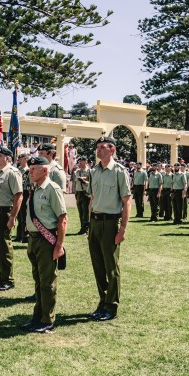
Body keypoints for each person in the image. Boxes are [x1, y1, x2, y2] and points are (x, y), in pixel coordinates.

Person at [86, 137, 131, 322]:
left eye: (103, 147)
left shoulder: (119, 171)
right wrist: (89, 224)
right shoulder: (94, 171)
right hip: (95, 222)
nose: (99, 150)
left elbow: (127, 201)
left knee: (111, 267)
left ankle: (111, 306)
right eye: (97, 147)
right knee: (98, 266)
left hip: (110, 223)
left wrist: (122, 229)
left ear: (112, 149)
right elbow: (92, 198)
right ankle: (103, 302)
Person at [22, 156, 67, 333]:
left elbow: (62, 219)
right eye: (30, 168)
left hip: (46, 241)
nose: (30, 171)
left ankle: (47, 319)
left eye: (34, 168)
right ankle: (38, 316)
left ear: (45, 170)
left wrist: (59, 245)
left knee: (47, 282)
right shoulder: (35, 189)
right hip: (34, 240)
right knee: (38, 281)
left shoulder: (52, 189)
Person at [0, 146, 23, 291]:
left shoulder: (12, 173)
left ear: (8, 158)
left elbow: (18, 196)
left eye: (0, 155)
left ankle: (8, 279)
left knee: (4, 247)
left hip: (4, 213)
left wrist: (13, 217)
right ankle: (2, 276)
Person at [15, 153, 30, 242]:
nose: (19, 161)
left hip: (25, 193)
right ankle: (18, 235)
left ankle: (24, 235)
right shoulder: (18, 170)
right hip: (17, 192)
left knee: (24, 215)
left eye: (21, 159)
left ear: (25, 159)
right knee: (18, 215)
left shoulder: (28, 170)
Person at [74, 156, 91, 233]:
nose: (80, 163)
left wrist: (84, 181)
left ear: (85, 162)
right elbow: (76, 182)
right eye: (79, 161)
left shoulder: (90, 171)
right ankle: (82, 228)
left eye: (81, 161)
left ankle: (86, 228)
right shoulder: (78, 171)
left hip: (85, 193)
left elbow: (91, 183)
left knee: (85, 212)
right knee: (80, 211)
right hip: (79, 193)